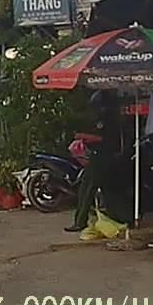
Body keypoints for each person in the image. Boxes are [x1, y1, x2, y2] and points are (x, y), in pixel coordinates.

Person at [66, 91, 119, 233]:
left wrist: (83, 136)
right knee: (94, 189)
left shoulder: (108, 119)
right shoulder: (104, 118)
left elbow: (104, 138)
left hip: (103, 158)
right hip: (100, 157)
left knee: (87, 189)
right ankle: (82, 220)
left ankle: (80, 222)